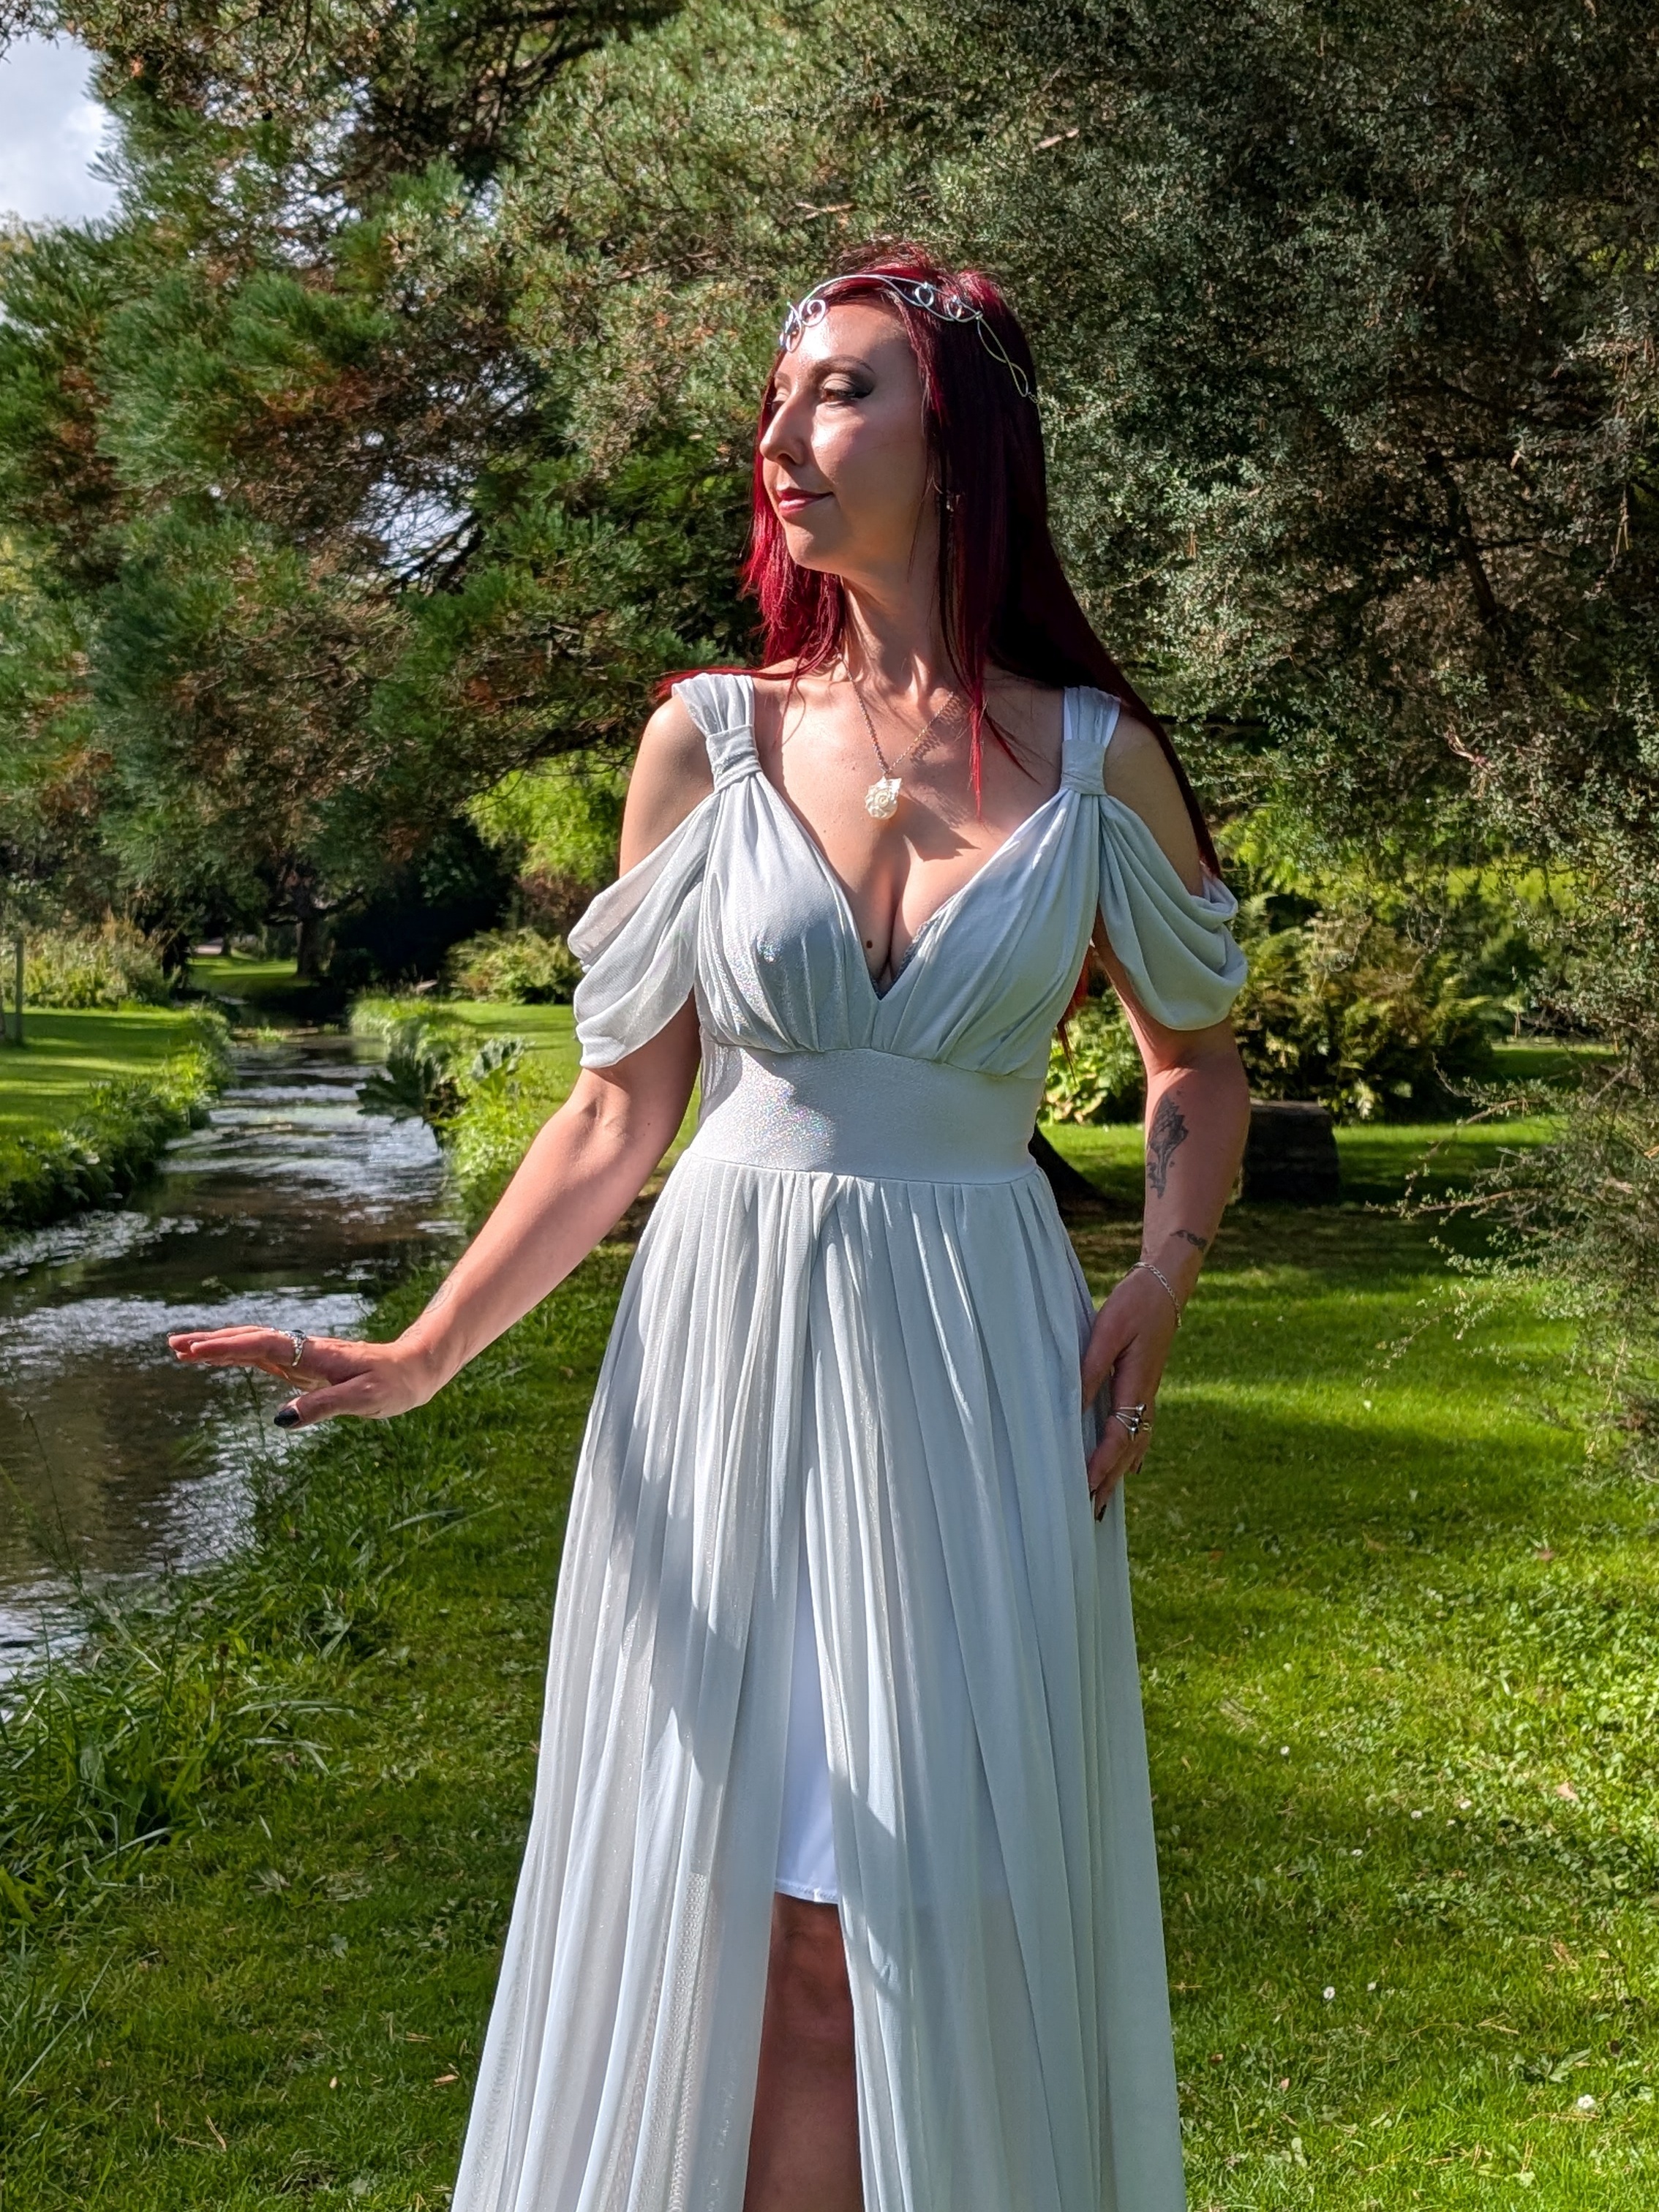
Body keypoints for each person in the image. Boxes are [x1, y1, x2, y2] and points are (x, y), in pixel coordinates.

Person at [170, 245, 1251, 2212]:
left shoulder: (1101, 767)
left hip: (974, 1369)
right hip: (727, 1363)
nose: (783, 436)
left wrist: (1161, 1278)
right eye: (775, 399)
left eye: (841, 390)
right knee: (757, 1914)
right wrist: (419, 1353)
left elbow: (1196, 1066)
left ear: (960, 441)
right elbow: (618, 1109)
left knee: (924, 1905)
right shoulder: (708, 740)